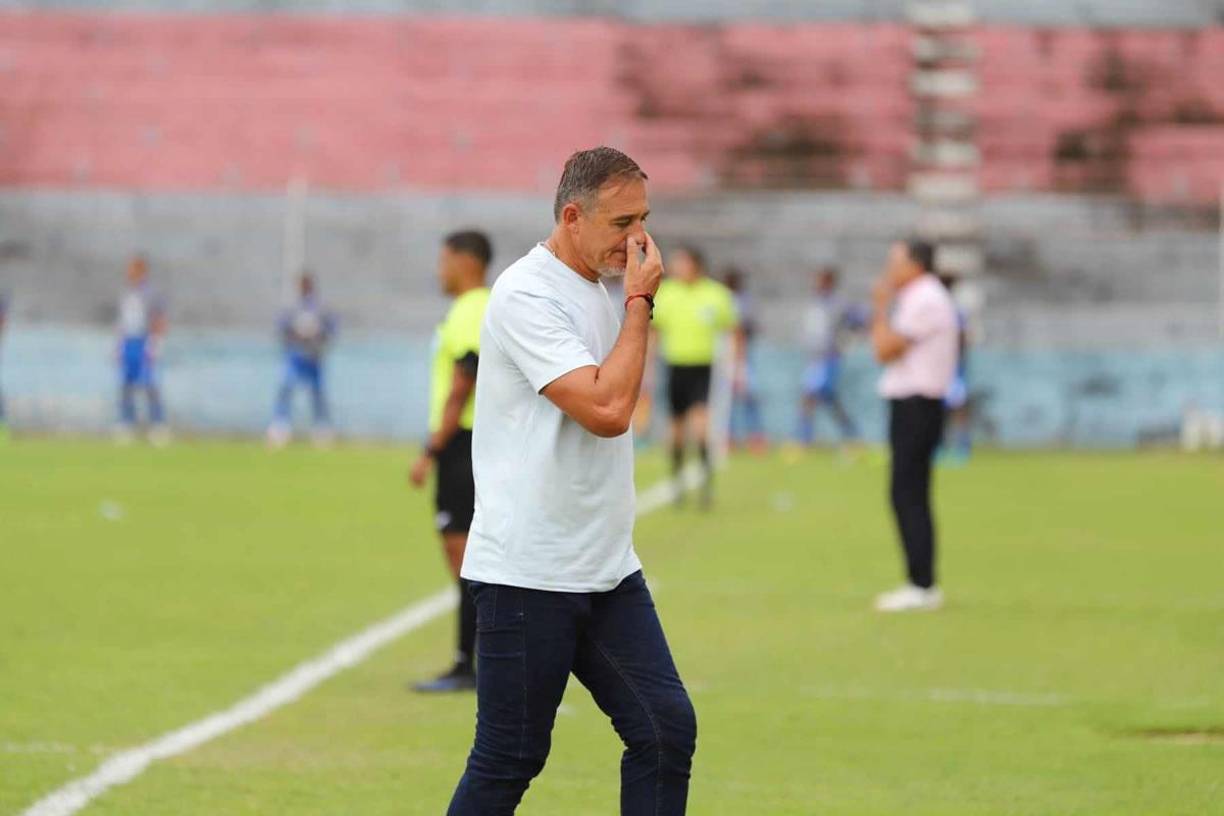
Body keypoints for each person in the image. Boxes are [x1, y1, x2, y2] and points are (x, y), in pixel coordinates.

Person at [448, 146, 696, 815]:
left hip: (605, 567)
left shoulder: (595, 288)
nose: (638, 239)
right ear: (572, 216)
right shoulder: (527, 293)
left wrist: (629, 299)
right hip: (530, 571)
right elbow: (608, 411)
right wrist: (641, 301)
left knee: (664, 728)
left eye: (643, 219)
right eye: (621, 223)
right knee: (510, 758)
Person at [407, 230, 492, 693]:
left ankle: (471, 663)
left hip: (464, 445)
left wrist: (430, 450)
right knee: (470, 559)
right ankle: (472, 661)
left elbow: (464, 382)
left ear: (465, 261)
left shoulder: (471, 310)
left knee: (466, 559)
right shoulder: (480, 307)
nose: (440, 270)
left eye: (444, 260)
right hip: (471, 444)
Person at [870, 239, 959, 613]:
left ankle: (921, 583)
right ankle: (920, 581)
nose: (890, 269)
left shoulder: (924, 298)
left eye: (896, 262)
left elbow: (885, 349)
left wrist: (878, 309)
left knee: (907, 494)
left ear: (917, 265)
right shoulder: (922, 296)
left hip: (917, 405)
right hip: (917, 404)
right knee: (911, 493)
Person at [652, 245, 738, 508]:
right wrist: (649, 369)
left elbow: (732, 329)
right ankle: (677, 484)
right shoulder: (666, 293)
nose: (677, 268)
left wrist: (736, 366)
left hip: (703, 366)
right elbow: (654, 330)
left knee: (701, 425)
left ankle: (705, 488)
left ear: (696, 265)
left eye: (683, 263)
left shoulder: (716, 294)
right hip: (674, 365)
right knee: (676, 428)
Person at [797, 266, 867, 448]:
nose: (816, 284)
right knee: (828, 400)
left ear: (829, 282)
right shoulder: (815, 303)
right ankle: (851, 435)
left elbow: (860, 321)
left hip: (829, 359)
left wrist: (849, 340)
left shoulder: (839, 304)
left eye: (820, 280)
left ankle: (805, 440)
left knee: (810, 397)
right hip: (814, 359)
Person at [267, 273, 336, 448]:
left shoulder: (320, 307)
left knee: (317, 393)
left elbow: (331, 330)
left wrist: (318, 336)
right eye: (301, 285)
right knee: (286, 388)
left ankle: (322, 430)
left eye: (306, 284)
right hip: (295, 355)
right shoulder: (292, 307)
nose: (304, 287)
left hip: (313, 356)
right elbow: (281, 328)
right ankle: (280, 427)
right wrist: (296, 335)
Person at [116, 255, 169, 445]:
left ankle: (158, 425)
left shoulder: (152, 293)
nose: (129, 273)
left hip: (144, 341)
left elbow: (159, 319)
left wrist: (156, 342)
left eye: (133, 270)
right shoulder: (127, 294)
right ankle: (126, 424)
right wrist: (119, 346)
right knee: (126, 385)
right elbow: (122, 322)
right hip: (129, 341)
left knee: (149, 384)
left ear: (141, 271)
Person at [724, 268, 767, 453]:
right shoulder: (723, 299)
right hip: (727, 356)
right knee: (728, 399)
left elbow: (744, 329)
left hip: (742, 357)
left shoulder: (743, 301)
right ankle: (730, 437)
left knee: (748, 396)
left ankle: (755, 437)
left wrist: (740, 360)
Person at [939, 274, 972, 465]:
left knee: (958, 406)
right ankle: (941, 445)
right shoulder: (939, 309)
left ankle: (962, 446)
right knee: (938, 409)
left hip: (953, 368)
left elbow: (962, 340)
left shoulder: (955, 312)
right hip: (939, 368)